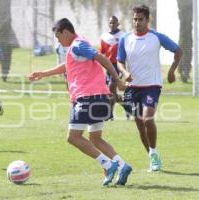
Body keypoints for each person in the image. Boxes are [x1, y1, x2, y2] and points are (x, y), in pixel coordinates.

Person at [29, 18, 132, 186]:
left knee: (73, 137)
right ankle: (122, 164)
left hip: (87, 99)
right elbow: (67, 65)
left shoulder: (77, 45)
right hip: (101, 98)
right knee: (96, 139)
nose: (58, 41)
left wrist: (117, 80)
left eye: (58, 36)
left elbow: (102, 58)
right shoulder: (77, 47)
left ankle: (108, 164)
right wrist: (44, 73)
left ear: (66, 32)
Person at [117, 5, 182, 171]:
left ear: (147, 20)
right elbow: (119, 61)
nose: (136, 22)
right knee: (139, 124)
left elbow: (178, 51)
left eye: (140, 19)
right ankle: (152, 156)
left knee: (147, 119)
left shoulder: (156, 37)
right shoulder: (125, 38)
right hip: (132, 88)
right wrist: (124, 73)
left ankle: (153, 153)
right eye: (134, 19)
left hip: (152, 86)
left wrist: (171, 71)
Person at [99, 16, 124, 112]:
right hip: (107, 65)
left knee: (111, 87)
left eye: (114, 22)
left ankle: (109, 113)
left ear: (118, 24)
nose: (112, 24)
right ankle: (125, 104)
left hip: (118, 65)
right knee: (111, 91)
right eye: (110, 22)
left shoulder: (123, 36)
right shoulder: (104, 37)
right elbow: (101, 53)